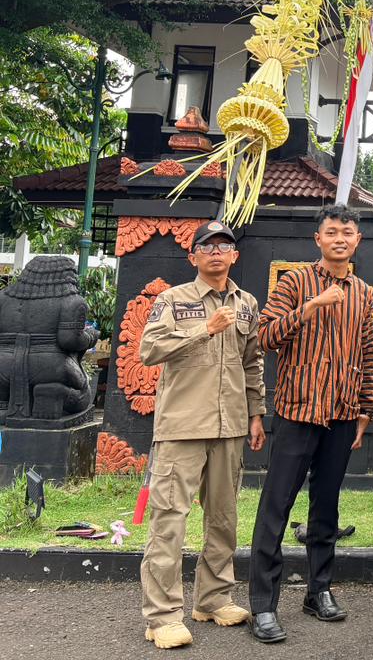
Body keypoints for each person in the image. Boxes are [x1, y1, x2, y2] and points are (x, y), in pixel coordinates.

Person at [248, 206, 373, 644]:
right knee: (276, 507)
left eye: (347, 232)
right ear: (317, 238)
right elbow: (265, 336)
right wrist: (310, 308)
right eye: (332, 232)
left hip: (342, 413)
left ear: (357, 240)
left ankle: (318, 590)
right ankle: (264, 605)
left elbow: (367, 353)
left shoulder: (362, 292)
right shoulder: (294, 282)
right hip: (297, 411)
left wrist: (366, 408)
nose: (340, 238)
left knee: (326, 507)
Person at [137, 220, 266, 649]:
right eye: (207, 247)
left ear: (235, 256)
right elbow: (149, 350)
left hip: (230, 426)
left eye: (224, 246)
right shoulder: (174, 300)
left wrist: (256, 414)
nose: (216, 252)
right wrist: (204, 329)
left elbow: (253, 362)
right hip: (182, 427)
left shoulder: (247, 304)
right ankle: (162, 617)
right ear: (193, 256)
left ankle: (212, 600)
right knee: (169, 520)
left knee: (223, 519)